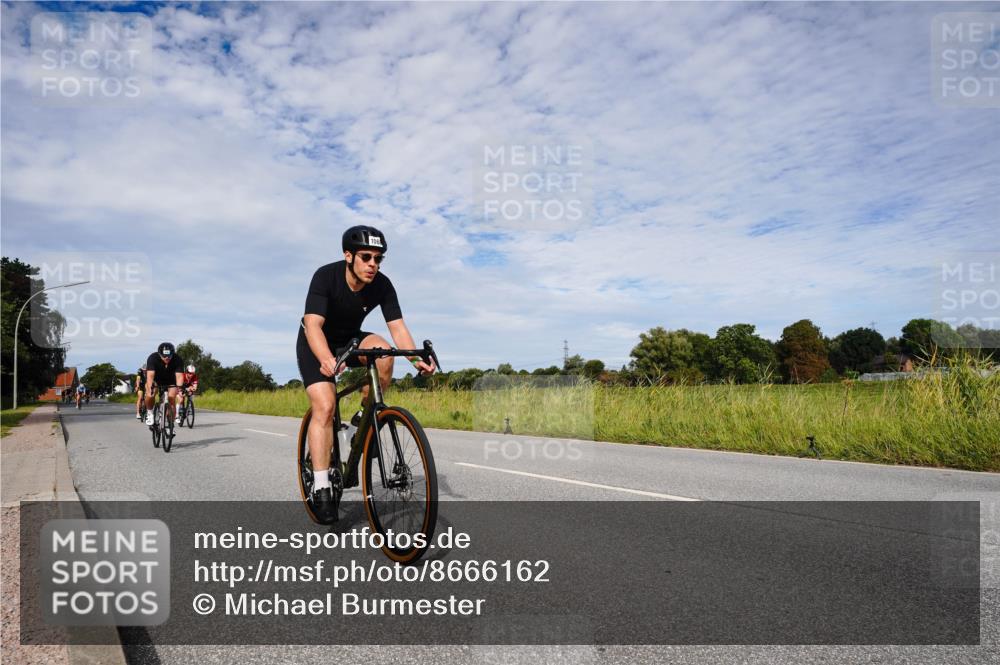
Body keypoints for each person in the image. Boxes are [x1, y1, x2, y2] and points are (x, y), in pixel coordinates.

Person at [297, 225, 435, 521]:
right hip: (315, 342)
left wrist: (416, 360)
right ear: (348, 256)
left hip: (350, 340)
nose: (373, 264)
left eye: (378, 258)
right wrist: (326, 359)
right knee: (325, 405)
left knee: (383, 351)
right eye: (366, 257)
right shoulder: (325, 276)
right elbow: (313, 325)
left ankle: (363, 417)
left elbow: (397, 327)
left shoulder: (382, 284)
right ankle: (321, 485)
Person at [143, 342, 185, 427]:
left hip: (171, 380)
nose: (167, 358)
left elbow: (179, 376)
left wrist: (180, 390)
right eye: (164, 356)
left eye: (169, 356)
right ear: (159, 354)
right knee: (150, 394)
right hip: (156, 380)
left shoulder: (178, 359)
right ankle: (150, 413)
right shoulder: (153, 358)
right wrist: (150, 388)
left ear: (173, 354)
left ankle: (170, 426)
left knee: (171, 398)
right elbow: (150, 376)